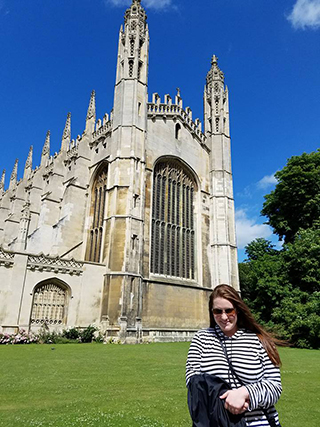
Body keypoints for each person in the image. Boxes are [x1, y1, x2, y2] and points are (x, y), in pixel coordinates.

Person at [186, 284, 282, 427]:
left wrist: (245, 394)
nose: (224, 317)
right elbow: (192, 381)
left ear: (238, 310)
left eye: (229, 310)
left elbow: (275, 387)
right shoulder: (201, 339)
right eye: (218, 311)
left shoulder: (259, 340)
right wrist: (226, 401)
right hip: (217, 422)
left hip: (257, 423)